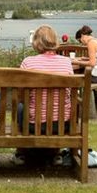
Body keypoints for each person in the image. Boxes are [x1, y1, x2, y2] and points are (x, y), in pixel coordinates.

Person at [15, 25, 74, 166]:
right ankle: (55, 154)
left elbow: (21, 95)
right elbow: (69, 92)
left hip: (34, 125)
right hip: (60, 125)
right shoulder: (66, 63)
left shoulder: (28, 62)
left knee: (20, 107)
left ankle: (21, 152)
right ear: (54, 41)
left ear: (36, 42)